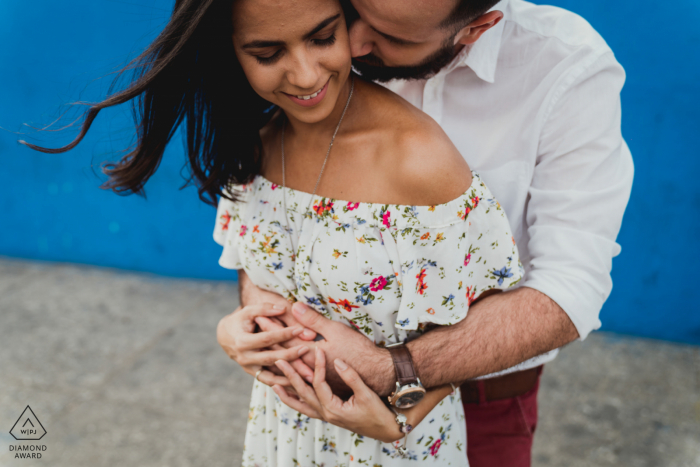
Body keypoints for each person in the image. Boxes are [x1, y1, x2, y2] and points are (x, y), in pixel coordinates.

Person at [24, 0, 524, 464]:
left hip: (397, 448)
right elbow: (256, 279)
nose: (305, 75)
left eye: (324, 39)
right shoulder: (255, 145)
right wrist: (235, 330)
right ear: (232, 55)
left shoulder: (419, 159)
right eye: (267, 53)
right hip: (279, 434)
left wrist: (400, 416)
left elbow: (480, 329)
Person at [218, 0, 634, 466]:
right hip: (302, 416)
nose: (353, 46)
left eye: (393, 36)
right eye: (352, 13)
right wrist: (254, 320)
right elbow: (272, 222)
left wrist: (392, 378)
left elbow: (570, 286)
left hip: (483, 396)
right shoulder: (307, 77)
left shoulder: (564, 68)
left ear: (477, 28)